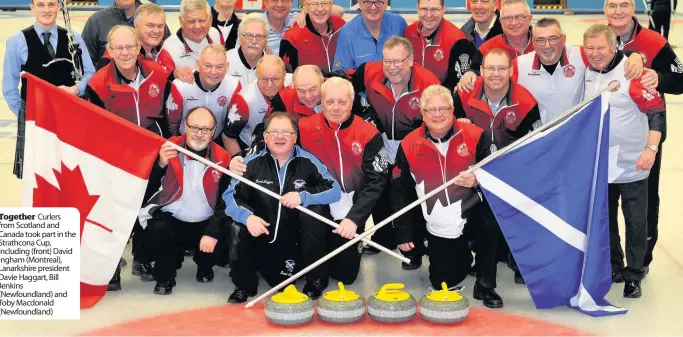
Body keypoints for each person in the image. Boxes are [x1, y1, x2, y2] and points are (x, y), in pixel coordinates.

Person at [393, 84, 504, 308]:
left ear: (453, 110)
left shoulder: (476, 135)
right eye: (431, 110)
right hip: (437, 221)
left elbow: (498, 176)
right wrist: (403, 232)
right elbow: (400, 191)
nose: (437, 115)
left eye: (443, 109)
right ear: (422, 114)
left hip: (470, 211)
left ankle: (485, 284)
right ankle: (462, 256)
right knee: (442, 280)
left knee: (491, 221)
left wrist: (478, 181)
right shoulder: (408, 145)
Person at [583, 24, 665, 298]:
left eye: (600, 48)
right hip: (599, 165)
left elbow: (656, 114)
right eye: (590, 48)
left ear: (614, 46)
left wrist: (650, 150)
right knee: (605, 220)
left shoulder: (633, 74)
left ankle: (634, 274)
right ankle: (614, 266)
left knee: (636, 223)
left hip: (633, 165)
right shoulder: (587, 71)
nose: (595, 53)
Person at [223, 112, 341, 303]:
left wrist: (303, 197)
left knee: (316, 211)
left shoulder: (308, 161)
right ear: (265, 137)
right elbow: (231, 196)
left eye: (286, 132)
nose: (280, 137)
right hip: (263, 236)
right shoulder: (251, 162)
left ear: (295, 137)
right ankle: (244, 285)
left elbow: (334, 190)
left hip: (297, 243)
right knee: (236, 227)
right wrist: (248, 217)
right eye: (274, 132)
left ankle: (316, 278)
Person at [605, 0, 683, 278]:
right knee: (607, 198)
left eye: (624, 4)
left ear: (634, 8)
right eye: (611, 5)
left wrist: (657, 77)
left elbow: (680, 79)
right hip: (609, 138)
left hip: (647, 136)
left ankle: (642, 260)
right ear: (604, 10)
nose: (618, 11)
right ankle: (611, 258)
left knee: (645, 199)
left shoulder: (654, 41)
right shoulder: (597, 40)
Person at [349, 36, 440, 267]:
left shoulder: (428, 83)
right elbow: (346, 86)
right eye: (387, 62)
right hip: (380, 141)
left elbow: (438, 117)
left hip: (413, 143)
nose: (392, 68)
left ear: (410, 60)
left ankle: (415, 247)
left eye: (398, 62)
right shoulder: (369, 72)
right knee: (379, 189)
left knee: (408, 195)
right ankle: (383, 237)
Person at [453, 48, 540, 283]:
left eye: (502, 68)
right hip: (473, 170)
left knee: (521, 210)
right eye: (490, 68)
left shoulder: (525, 101)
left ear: (511, 71)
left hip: (512, 171)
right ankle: (476, 253)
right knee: (477, 216)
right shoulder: (463, 94)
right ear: (481, 70)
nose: (496, 74)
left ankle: (519, 259)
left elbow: (531, 147)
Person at [139, 106, 232, 295]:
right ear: (185, 127)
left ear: (214, 131)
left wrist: (212, 232)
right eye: (194, 128)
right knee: (159, 229)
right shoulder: (166, 148)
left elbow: (225, 202)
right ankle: (165, 276)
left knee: (227, 229)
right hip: (172, 219)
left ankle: (205, 264)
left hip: (205, 222)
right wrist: (159, 165)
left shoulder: (223, 158)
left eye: (205, 129)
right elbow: (143, 190)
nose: (199, 134)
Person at [2, 0, 95, 179]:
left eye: (51, 4)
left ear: (58, 8)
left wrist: (76, 89)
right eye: (41, 5)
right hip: (36, 123)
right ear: (32, 7)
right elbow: (9, 87)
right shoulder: (17, 41)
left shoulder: (73, 38)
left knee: (70, 174)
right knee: (37, 179)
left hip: (69, 119)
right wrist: (26, 116)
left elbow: (90, 73)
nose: (47, 10)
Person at [512, 17, 655, 123]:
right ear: (533, 42)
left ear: (563, 39)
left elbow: (609, 56)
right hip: (537, 140)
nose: (547, 45)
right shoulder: (519, 65)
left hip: (575, 137)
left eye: (553, 39)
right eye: (540, 40)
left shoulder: (580, 55)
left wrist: (636, 56)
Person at [86, 25, 174, 137]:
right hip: (120, 148)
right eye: (119, 48)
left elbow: (169, 117)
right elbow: (96, 128)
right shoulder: (97, 85)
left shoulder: (157, 73)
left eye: (130, 47)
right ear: (110, 51)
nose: (125, 53)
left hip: (156, 145)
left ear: (138, 48)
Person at [166, 44, 242, 146]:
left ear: (227, 66)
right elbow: (172, 125)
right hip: (184, 141)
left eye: (219, 66)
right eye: (208, 66)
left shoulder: (234, 86)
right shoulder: (181, 86)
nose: (213, 72)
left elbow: (231, 126)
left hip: (215, 140)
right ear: (198, 64)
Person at [457, 0, 534, 93]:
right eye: (507, 18)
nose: (513, 23)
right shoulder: (486, 49)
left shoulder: (544, 45)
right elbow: (474, 71)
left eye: (520, 17)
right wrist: (469, 75)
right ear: (501, 21)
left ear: (530, 19)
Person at [222, 55, 292, 155]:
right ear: (256, 75)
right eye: (264, 79)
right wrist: (241, 162)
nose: (270, 85)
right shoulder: (244, 100)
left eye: (275, 79)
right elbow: (228, 137)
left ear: (284, 75)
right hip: (253, 149)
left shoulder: (296, 83)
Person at [405, 0, 477, 90]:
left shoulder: (459, 42)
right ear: (417, 8)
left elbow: (456, 88)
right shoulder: (409, 32)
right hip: (412, 99)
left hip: (441, 100)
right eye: (424, 9)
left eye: (434, 9)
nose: (428, 15)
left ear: (443, 9)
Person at [82, 0, 171, 67]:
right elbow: (86, 65)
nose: (155, 30)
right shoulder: (96, 22)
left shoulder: (154, 19)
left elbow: (170, 54)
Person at [332, 0, 408, 71]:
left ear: (386, 2)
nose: (373, 7)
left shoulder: (399, 24)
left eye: (378, 2)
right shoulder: (347, 33)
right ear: (359, 2)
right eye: (367, 2)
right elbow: (341, 75)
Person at [159, 0, 222, 84]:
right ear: (181, 21)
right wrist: (173, 74)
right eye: (191, 21)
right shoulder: (169, 49)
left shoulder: (216, 35)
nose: (197, 26)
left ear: (210, 20)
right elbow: (161, 87)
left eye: (202, 20)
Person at [279, 0, 346, 73]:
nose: (320, 9)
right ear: (306, 7)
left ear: (331, 5)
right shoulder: (291, 38)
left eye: (325, 3)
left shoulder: (341, 26)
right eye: (314, 4)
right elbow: (288, 77)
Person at [226, 13, 268, 87]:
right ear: (240, 38)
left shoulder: (272, 65)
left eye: (259, 36)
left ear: (265, 40)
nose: (254, 41)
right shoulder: (225, 61)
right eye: (249, 35)